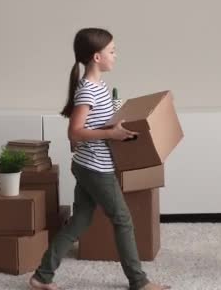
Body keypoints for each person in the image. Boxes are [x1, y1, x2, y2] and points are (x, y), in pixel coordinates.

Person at [29, 28, 169, 290]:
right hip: (95, 168)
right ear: (96, 57)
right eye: (112, 51)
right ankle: (138, 281)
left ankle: (41, 276)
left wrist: (117, 121)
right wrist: (111, 134)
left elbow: (93, 124)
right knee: (123, 220)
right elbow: (74, 131)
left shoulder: (98, 86)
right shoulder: (88, 91)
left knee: (80, 220)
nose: (116, 55)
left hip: (88, 164)